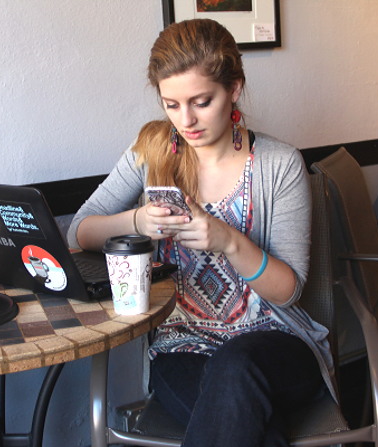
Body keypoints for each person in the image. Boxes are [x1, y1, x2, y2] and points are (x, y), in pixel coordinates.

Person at [67, 18, 334, 447]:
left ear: (235, 89)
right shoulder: (151, 151)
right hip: (182, 347)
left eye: (201, 101)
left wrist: (229, 241)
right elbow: (78, 232)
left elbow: (288, 292)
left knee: (235, 369)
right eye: (171, 104)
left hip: (273, 343)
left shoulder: (279, 164)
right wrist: (136, 221)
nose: (185, 120)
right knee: (248, 424)